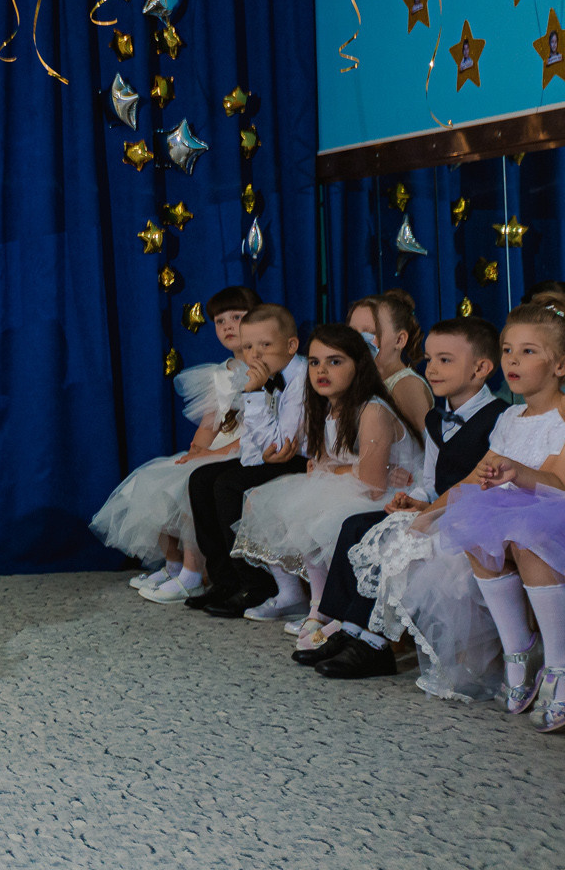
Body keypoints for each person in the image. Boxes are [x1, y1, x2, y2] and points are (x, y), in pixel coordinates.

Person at [352, 298, 565, 702]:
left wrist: (517, 473)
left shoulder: (563, 414)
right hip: (508, 513)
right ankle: (518, 649)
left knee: (525, 537)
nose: (513, 361)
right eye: (508, 350)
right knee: (471, 532)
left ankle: (558, 662)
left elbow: (558, 483)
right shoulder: (508, 419)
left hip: (551, 514)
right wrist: (430, 513)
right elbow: (473, 479)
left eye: (528, 352)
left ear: (561, 365)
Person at [298, 317, 505, 679]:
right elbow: (430, 479)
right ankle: (349, 627)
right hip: (437, 506)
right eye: (429, 359)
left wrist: (428, 508)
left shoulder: (499, 418)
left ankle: (374, 643)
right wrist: (413, 498)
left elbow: (486, 485)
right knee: (356, 526)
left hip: (473, 515)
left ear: (481, 368)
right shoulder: (438, 418)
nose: (432, 369)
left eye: (445, 360)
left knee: (395, 540)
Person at [228, 324, 422, 643]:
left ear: (358, 366)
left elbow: (371, 483)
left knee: (325, 513)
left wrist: (332, 470)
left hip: (393, 495)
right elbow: (316, 465)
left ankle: (341, 608)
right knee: (285, 502)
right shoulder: (326, 408)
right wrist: (333, 469)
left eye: (335, 361)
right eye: (315, 362)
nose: (321, 370)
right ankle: (318, 606)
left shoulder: (371, 409)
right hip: (363, 484)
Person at [91, 286, 259, 602]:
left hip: (242, 450)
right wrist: (196, 450)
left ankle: (193, 575)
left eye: (237, 317)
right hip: (215, 447)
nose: (227, 326)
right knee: (153, 478)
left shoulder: (265, 371)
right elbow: (210, 423)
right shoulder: (219, 373)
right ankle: (173, 564)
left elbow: (255, 431)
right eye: (220, 321)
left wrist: (209, 456)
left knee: (186, 486)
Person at [185, 305, 309, 618]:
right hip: (272, 455)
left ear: (291, 346)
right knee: (201, 479)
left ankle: (256, 585)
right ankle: (225, 579)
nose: (255, 354)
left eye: (265, 345)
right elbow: (259, 443)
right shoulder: (269, 375)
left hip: (301, 459)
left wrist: (254, 395)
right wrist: (257, 456)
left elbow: (283, 445)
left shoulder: (300, 379)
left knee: (229, 486)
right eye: (249, 346)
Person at [347, 291, 432, 437]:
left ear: (399, 340)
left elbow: (425, 453)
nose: (358, 341)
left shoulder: (407, 386)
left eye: (370, 333)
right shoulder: (359, 380)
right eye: (353, 332)